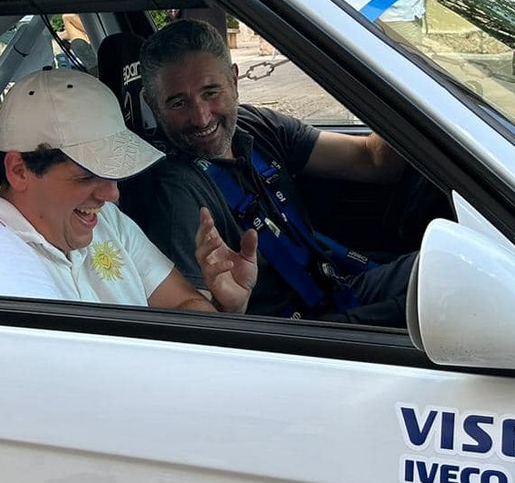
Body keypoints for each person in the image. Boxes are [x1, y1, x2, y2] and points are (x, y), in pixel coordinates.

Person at [127, 19, 416, 326]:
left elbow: (373, 161)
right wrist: (230, 306)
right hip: (290, 334)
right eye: (178, 103)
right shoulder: (172, 191)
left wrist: (410, 80)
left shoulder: (255, 125)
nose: (201, 117)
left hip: (337, 288)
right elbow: (200, 326)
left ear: (234, 80)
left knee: (441, 268)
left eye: (211, 92)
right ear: (152, 104)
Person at [0, 68, 254, 313]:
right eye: (88, 175)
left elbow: (186, 304)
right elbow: (58, 371)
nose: (112, 194)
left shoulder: (104, 220)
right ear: (19, 171)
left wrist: (229, 308)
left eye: (114, 171)